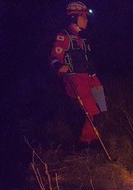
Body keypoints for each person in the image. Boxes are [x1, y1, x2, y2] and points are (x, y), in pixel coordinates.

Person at [49, 1, 107, 145]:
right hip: (75, 78)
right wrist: (59, 66)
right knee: (90, 109)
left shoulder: (83, 38)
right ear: (74, 18)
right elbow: (54, 57)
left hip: (89, 77)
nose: (86, 20)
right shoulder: (64, 36)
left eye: (86, 17)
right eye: (83, 17)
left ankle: (94, 135)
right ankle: (85, 141)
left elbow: (88, 59)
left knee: (100, 103)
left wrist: (93, 74)